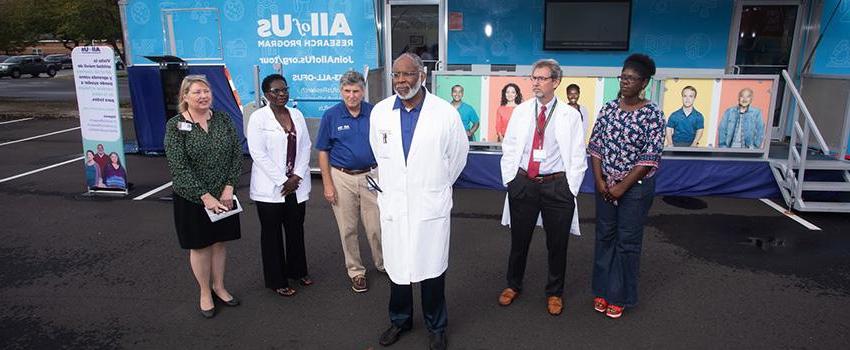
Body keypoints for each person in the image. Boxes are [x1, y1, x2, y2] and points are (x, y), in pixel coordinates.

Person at [371, 53, 468, 350]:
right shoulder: (380, 112)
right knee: (398, 269)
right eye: (396, 75)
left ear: (422, 75)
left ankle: (436, 326)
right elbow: (379, 153)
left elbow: (458, 156)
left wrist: (433, 185)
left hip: (430, 203)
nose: (401, 81)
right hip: (395, 205)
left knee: (431, 270)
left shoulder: (445, 113)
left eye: (407, 75)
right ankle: (399, 320)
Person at [497, 59, 588, 316]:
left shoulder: (570, 115)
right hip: (524, 183)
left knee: (557, 244)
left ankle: (555, 292)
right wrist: (511, 181)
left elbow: (578, 155)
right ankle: (513, 285)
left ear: (555, 82)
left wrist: (571, 189)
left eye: (541, 78)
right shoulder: (522, 110)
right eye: (533, 78)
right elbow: (510, 146)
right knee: (519, 240)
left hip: (556, 186)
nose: (535, 82)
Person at [587, 53, 665, 319]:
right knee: (604, 237)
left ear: (644, 83)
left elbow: (649, 156)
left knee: (627, 242)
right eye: (622, 77)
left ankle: (619, 295)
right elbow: (596, 146)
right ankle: (601, 289)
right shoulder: (609, 108)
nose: (625, 82)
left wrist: (622, 187)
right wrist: (598, 180)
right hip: (605, 185)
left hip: (636, 188)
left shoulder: (652, 113)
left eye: (631, 79)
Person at [164, 74, 243, 319]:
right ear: (185, 97)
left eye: (206, 91)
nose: (203, 96)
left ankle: (219, 287)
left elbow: (236, 153)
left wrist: (229, 187)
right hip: (192, 198)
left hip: (224, 196)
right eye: (196, 92)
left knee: (219, 243)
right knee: (200, 246)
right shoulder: (176, 126)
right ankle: (204, 293)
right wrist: (204, 196)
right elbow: (178, 166)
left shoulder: (223, 119)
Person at [315, 70, 383, 293]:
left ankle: (384, 264)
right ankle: (356, 271)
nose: (352, 95)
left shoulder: (375, 113)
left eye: (356, 91)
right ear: (340, 91)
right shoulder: (331, 116)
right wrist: (327, 184)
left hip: (371, 177)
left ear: (363, 91)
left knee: (376, 227)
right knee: (348, 229)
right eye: (347, 91)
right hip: (342, 177)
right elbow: (323, 151)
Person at [247, 73, 313, 298]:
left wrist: (296, 177)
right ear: (267, 95)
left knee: (295, 230)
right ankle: (277, 280)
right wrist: (283, 180)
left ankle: (298, 270)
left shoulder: (296, 114)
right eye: (276, 91)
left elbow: (305, 146)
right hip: (271, 188)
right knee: (272, 234)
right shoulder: (258, 118)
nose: (282, 94)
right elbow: (257, 153)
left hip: (295, 185)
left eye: (284, 89)